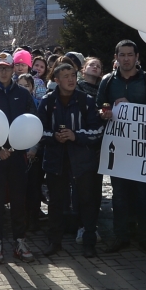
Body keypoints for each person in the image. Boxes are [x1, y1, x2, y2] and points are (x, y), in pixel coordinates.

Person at [96, 40, 146, 253]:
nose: (126, 59)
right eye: (122, 55)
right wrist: (104, 114)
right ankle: (121, 237)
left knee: (145, 194)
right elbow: (99, 109)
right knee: (120, 195)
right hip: (119, 149)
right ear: (116, 57)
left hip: (143, 147)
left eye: (129, 55)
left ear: (137, 57)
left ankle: (145, 237)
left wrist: (132, 108)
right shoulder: (107, 81)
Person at [35, 60, 102, 256]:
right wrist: (53, 137)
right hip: (56, 159)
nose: (71, 80)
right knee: (56, 202)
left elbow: (97, 130)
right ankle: (54, 241)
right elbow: (37, 130)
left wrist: (76, 136)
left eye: (73, 75)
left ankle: (89, 242)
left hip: (82, 160)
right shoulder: (47, 102)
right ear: (56, 80)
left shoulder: (86, 100)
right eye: (65, 76)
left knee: (87, 200)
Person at [0, 52, 37, 263]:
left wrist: (22, 146)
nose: (4, 71)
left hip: (17, 154)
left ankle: (20, 240)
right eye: (0, 68)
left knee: (20, 200)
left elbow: (32, 120)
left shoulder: (23, 93)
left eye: (7, 68)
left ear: (14, 69)